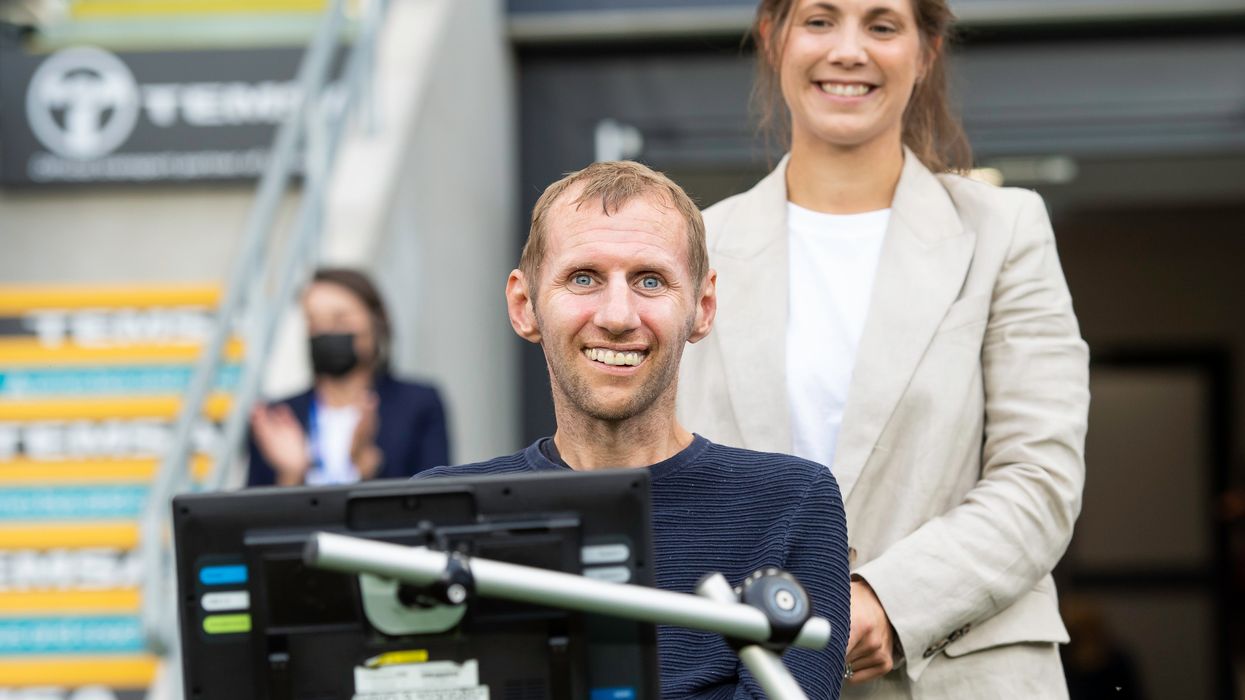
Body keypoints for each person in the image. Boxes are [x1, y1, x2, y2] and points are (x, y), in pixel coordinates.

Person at [677, 0, 1090, 697]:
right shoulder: (697, 247)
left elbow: (1039, 479)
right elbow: (670, 480)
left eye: (880, 24)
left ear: (924, 51)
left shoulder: (1005, 232)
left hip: (961, 677)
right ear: (772, 38)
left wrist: (887, 599)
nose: (847, 50)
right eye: (818, 20)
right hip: (750, 674)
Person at [420, 161, 851, 698]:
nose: (619, 316)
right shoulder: (442, 511)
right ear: (524, 304)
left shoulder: (790, 503)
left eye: (650, 280)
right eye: (584, 278)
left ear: (703, 306)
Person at [247, 268, 450, 486]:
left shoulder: (418, 404)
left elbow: (435, 501)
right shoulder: (280, 418)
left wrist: (366, 463)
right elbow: (254, 514)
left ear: (377, 320)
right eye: (314, 322)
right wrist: (291, 474)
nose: (326, 331)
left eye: (340, 319)